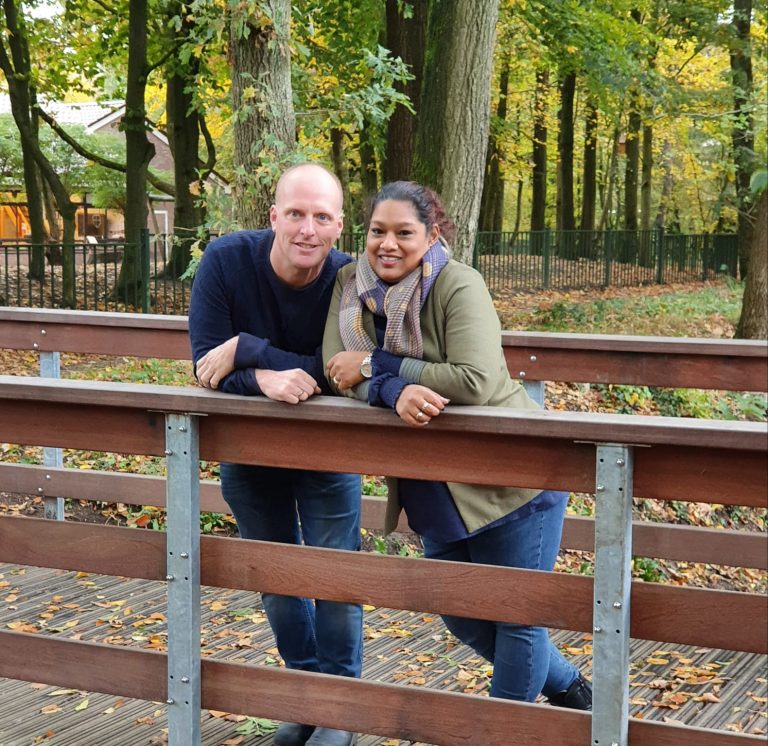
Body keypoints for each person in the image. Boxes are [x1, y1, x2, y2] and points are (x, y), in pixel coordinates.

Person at [322, 180, 592, 709]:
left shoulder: (456, 283)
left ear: (432, 234)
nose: (388, 244)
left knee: (516, 618)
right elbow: (335, 368)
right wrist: (393, 389)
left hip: (509, 477)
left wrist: (378, 365)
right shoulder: (349, 282)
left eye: (405, 232)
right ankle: (572, 689)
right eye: (378, 231)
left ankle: (499, 733)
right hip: (431, 482)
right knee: (460, 613)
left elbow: (476, 380)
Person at [188, 162, 362, 746]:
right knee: (275, 577)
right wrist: (258, 376)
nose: (306, 229)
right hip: (249, 450)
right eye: (295, 214)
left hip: (328, 450)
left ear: (339, 225)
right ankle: (304, 696)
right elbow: (204, 365)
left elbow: (344, 373)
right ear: (273, 217)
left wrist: (249, 350)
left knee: (336, 574)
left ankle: (340, 709)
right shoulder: (226, 261)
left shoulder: (350, 280)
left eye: (320, 217)